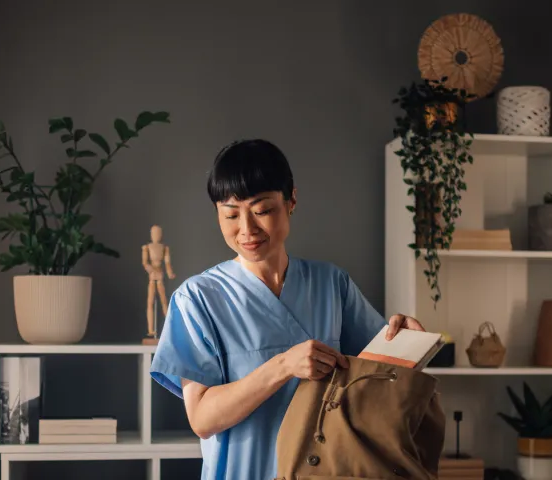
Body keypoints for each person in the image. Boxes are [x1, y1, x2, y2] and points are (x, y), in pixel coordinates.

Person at [148, 139, 425, 480]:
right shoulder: (197, 299)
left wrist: (405, 343)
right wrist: (283, 366)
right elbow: (203, 420)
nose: (246, 229)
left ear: (291, 200)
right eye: (231, 214)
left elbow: (376, 382)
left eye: (262, 210)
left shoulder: (331, 284)